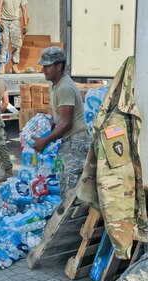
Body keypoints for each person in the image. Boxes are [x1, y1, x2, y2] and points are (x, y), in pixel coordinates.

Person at [32, 46, 91, 199]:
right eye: (43, 66)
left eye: (47, 66)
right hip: (69, 143)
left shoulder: (64, 87)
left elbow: (67, 123)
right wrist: (48, 127)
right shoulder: (55, 84)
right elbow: (59, 119)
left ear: (59, 66)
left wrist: (45, 141)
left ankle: (76, 223)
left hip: (76, 144)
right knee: (66, 188)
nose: (44, 70)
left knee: (71, 193)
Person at [0, 0, 28, 74]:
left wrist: (26, 24)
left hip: (15, 21)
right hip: (4, 21)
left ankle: (15, 65)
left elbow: (24, 10)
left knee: (17, 44)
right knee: (3, 43)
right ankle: (2, 66)